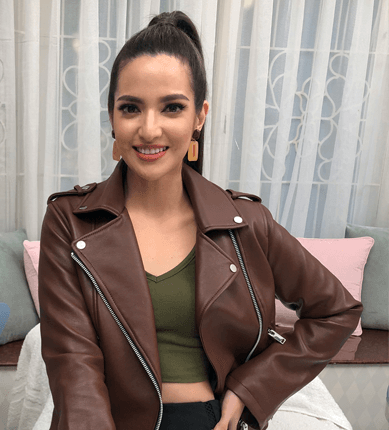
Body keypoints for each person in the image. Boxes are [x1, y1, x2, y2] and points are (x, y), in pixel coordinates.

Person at [38, 11, 362, 430]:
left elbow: (337, 311)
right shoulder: (70, 220)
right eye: (131, 108)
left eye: (172, 107)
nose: (149, 129)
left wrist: (254, 388)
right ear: (112, 118)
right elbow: (73, 363)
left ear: (199, 116)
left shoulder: (246, 222)